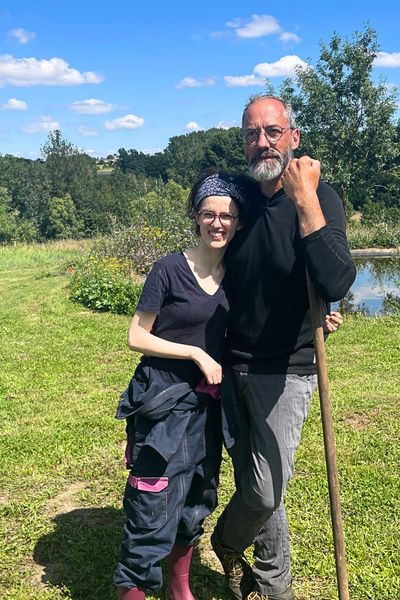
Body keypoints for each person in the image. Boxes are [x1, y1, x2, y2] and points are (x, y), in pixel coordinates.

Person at [210, 95, 356, 600]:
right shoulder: (240, 202)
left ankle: (226, 542)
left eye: (273, 131)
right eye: (252, 133)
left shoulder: (319, 195)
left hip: (288, 369)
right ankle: (274, 589)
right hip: (230, 366)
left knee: (264, 490)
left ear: (293, 137)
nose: (262, 142)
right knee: (262, 489)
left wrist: (306, 199)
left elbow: (336, 275)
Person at [113, 171, 247, 599]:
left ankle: (179, 585)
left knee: (196, 498)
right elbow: (137, 336)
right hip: (163, 402)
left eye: (227, 215)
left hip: (209, 408)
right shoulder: (169, 268)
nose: (218, 223)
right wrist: (194, 352)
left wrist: (319, 321)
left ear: (239, 222)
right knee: (152, 503)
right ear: (196, 216)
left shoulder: (235, 273)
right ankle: (132, 586)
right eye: (209, 213)